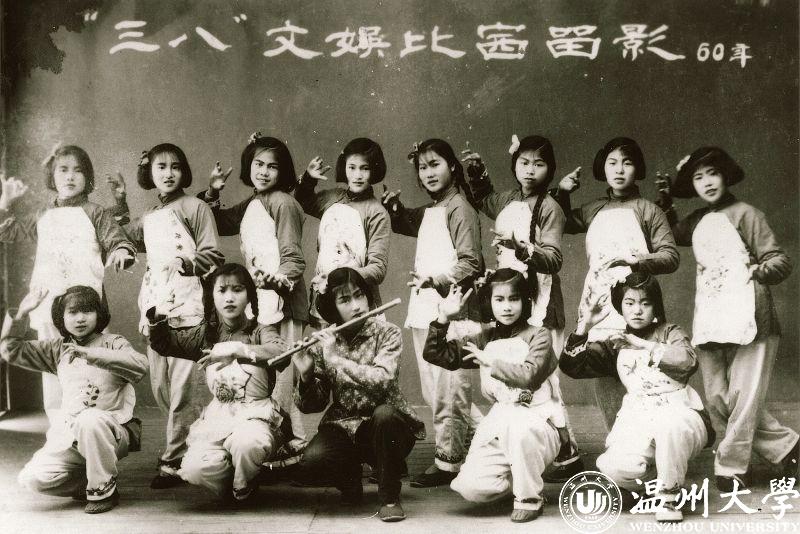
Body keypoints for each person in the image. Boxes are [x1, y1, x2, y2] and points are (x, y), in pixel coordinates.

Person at [655, 147, 798, 491]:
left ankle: (732, 467)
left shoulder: (747, 214)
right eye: (698, 177)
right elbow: (671, 234)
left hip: (751, 315)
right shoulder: (698, 220)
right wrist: (665, 200)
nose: (707, 182)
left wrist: (758, 270)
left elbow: (780, 260)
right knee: (719, 397)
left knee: (744, 397)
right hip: (712, 315)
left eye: (713, 173)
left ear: (725, 176)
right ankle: (787, 448)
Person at [462, 134, 584, 480]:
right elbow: (483, 200)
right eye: (524, 162)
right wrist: (477, 171)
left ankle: (567, 451)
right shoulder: (507, 199)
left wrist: (524, 249)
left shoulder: (550, 207)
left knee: (545, 377)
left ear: (550, 169)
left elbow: (554, 258)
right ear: (515, 165)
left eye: (539, 164)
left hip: (540, 299)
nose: (530, 170)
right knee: (511, 378)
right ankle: (525, 445)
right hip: (509, 298)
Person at [108, 143, 224, 488]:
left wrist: (186, 262)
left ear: (183, 172)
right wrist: (120, 204)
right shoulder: (150, 215)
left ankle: (173, 460)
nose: (168, 173)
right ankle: (186, 445)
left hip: (190, 306)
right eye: (161, 167)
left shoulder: (196, 207)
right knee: (161, 386)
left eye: (175, 166)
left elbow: (213, 254)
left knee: (183, 390)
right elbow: (124, 239)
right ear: (150, 172)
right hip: (157, 306)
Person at [552, 136, 679, 431]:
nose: (619, 170)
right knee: (604, 369)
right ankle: (617, 439)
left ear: (637, 169)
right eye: (612, 163)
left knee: (637, 368)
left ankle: (645, 440)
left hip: (636, 301)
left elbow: (670, 256)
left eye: (627, 163)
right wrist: (563, 193)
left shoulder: (648, 210)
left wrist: (639, 261)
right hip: (599, 301)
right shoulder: (594, 208)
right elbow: (559, 222)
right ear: (603, 168)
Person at [0, 144, 135, 419]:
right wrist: (5, 201)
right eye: (63, 170)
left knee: (91, 369)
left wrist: (121, 251)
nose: (70, 176)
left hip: (85, 306)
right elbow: (8, 231)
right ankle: (60, 432)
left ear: (88, 177)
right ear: (52, 175)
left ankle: (88, 427)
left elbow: (115, 238)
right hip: (48, 303)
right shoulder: (43, 215)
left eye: (78, 170)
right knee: (53, 368)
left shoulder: (95, 212)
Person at [380, 138, 484, 487]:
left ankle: (448, 461)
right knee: (435, 392)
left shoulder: (460, 207)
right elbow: (410, 222)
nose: (428, 173)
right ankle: (490, 439)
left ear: (452, 166)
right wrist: (394, 208)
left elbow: (471, 262)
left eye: (435, 164)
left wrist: (436, 279)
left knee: (450, 390)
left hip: (452, 308)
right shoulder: (435, 208)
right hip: (426, 307)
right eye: (422, 167)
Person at [423, 269, 564, 523]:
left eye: (514, 299)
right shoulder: (485, 338)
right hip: (501, 422)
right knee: (471, 486)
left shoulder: (539, 335)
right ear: (489, 302)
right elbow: (437, 354)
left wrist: (490, 360)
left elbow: (529, 376)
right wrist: (443, 318)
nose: (507, 307)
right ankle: (519, 477)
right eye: (499, 299)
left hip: (538, 422)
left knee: (519, 428)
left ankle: (530, 497)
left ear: (526, 301)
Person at [147, 263, 296, 502]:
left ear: (249, 295)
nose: (229, 298)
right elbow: (164, 344)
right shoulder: (206, 335)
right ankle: (235, 477)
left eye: (237, 290)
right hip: (220, 417)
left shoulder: (260, 330)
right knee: (195, 469)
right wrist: (158, 317)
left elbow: (281, 353)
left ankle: (245, 481)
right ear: (212, 296)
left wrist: (236, 350)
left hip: (256, 416)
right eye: (222, 290)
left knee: (246, 444)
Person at [200, 133, 308, 460]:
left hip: (283, 299)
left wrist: (279, 281)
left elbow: (293, 257)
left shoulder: (284, 202)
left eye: (272, 167)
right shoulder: (253, 202)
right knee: (264, 377)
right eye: (258, 164)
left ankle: (295, 446)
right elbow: (220, 221)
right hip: (260, 299)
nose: (263, 171)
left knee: (283, 378)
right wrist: (213, 191)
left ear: (283, 172)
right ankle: (271, 444)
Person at [292, 267, 424, 522]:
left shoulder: (388, 333)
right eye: (345, 300)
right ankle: (349, 480)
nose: (356, 306)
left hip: (387, 425)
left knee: (384, 416)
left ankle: (389, 497)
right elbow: (312, 406)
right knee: (312, 461)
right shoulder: (326, 342)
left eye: (359, 295)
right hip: (345, 424)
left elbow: (382, 379)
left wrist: (336, 360)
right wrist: (306, 375)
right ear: (332, 307)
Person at [1, 285, 147, 513]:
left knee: (89, 419)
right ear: (62, 318)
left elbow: (140, 366)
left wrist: (93, 355)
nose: (80, 319)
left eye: (87, 311)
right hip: (71, 437)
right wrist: (21, 314)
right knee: (32, 478)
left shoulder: (114, 342)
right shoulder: (58, 349)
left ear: (98, 314)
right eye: (72, 312)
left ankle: (103, 490)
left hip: (111, 433)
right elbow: (11, 350)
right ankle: (88, 483)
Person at [297, 137, 391, 327]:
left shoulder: (377, 212)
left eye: (365, 168)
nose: (358, 175)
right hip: (326, 298)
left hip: (358, 302)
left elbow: (378, 268)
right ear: (344, 168)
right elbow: (303, 202)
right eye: (352, 167)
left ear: (374, 170)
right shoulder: (333, 197)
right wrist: (308, 179)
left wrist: (337, 279)